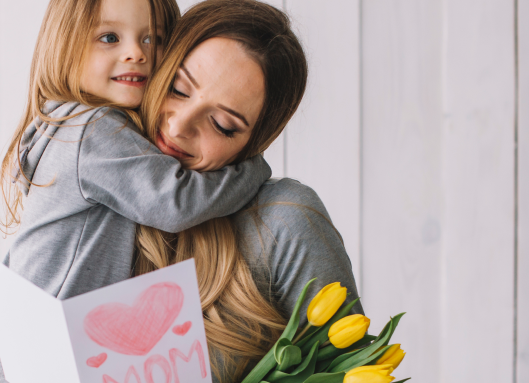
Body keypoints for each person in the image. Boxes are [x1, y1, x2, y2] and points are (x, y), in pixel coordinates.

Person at [0, 0, 277, 380]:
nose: (136, 53)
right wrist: (252, 169)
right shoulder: (93, 130)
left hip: (30, 340)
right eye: (109, 37)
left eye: (152, 39)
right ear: (65, 43)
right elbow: (176, 202)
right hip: (52, 346)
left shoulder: (61, 124)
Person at [131, 1, 363, 382]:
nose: (177, 127)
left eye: (222, 125)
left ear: (252, 145)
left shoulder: (283, 223)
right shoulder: (79, 187)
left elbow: (354, 371)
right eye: (177, 88)